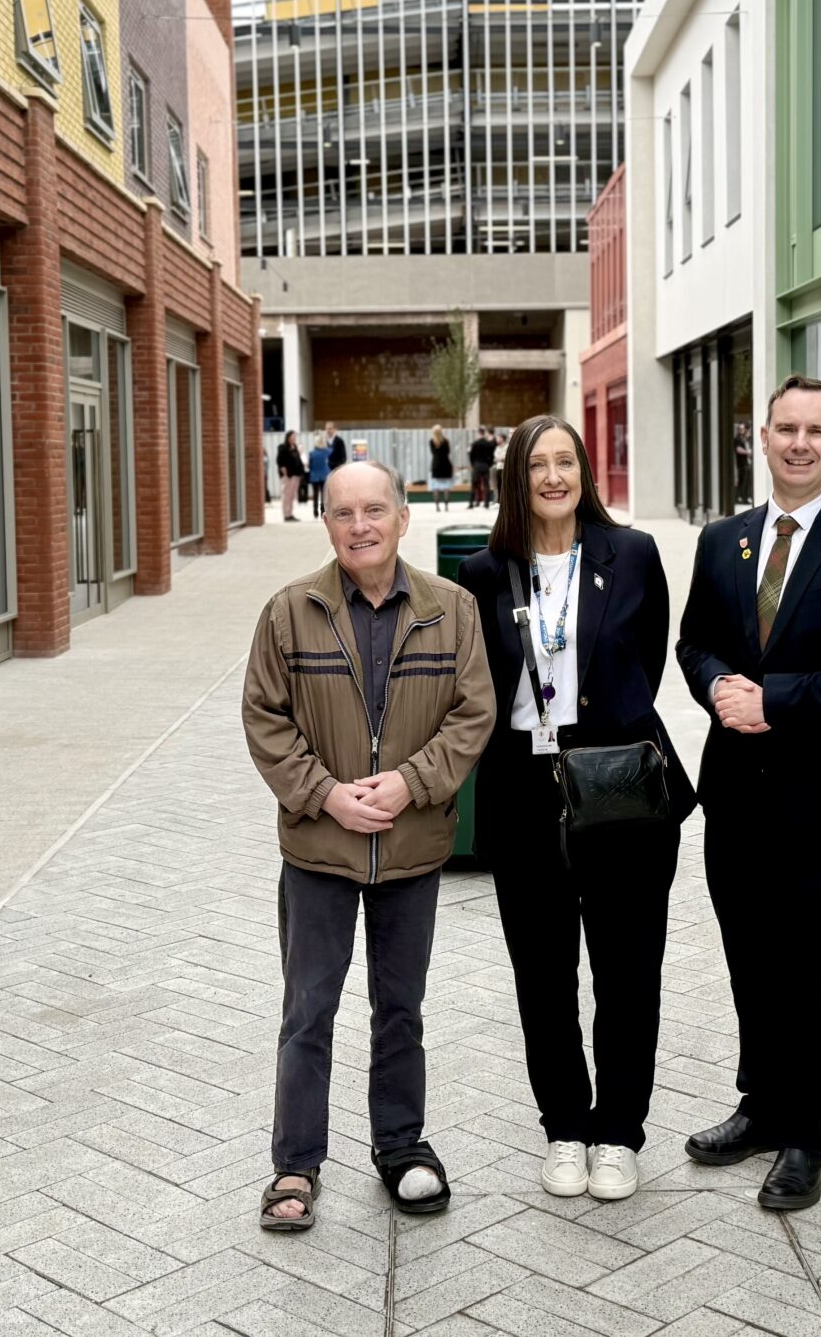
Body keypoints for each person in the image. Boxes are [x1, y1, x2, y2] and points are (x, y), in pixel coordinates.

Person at [674, 375, 821, 1212]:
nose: (801, 442)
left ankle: (810, 1134)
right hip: (735, 794)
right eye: (786, 428)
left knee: (819, 971)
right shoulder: (722, 541)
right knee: (753, 959)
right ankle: (763, 1106)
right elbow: (694, 640)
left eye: (818, 430)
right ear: (761, 439)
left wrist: (774, 701)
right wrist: (717, 689)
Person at [243, 462, 496, 1232]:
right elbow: (265, 718)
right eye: (344, 512)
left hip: (412, 848)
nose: (360, 525)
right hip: (319, 851)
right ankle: (295, 1166)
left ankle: (402, 1148)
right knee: (308, 1011)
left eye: (374, 510)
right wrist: (327, 795)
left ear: (402, 516)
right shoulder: (290, 612)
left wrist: (409, 784)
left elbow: (471, 713)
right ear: (326, 523)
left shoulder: (452, 609)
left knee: (401, 1011)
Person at [456, 416, 693, 1203]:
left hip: (616, 784)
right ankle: (564, 1127)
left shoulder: (634, 555)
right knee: (543, 976)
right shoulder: (487, 572)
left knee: (628, 972)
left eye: (566, 462)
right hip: (523, 791)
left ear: (584, 472)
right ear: (515, 479)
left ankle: (620, 1131)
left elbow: (647, 661)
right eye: (537, 465)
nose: (553, 477)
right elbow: (478, 681)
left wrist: (597, 727)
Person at [276, 431, 306, 522]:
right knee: (287, 495)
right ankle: (286, 514)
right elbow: (279, 460)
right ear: (288, 437)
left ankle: (290, 514)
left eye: (295, 437)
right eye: (293, 436)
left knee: (292, 496)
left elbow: (299, 459)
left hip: (296, 475)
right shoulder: (283, 447)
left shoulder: (295, 447)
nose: (294, 438)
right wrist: (283, 469)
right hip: (288, 475)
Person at [427, 427, 456, 510]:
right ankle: (446, 506)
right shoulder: (446, 441)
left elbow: (433, 453)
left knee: (435, 487)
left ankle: (437, 506)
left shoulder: (432, 441)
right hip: (446, 464)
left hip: (436, 465)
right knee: (446, 486)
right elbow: (448, 452)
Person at [468, 428, 497, 508]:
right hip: (485, 465)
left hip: (477, 465)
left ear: (478, 433)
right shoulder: (488, 444)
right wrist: (489, 464)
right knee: (486, 484)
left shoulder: (475, 444)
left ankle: (471, 503)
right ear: (484, 433)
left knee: (474, 484)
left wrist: (473, 464)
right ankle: (486, 503)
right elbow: (492, 455)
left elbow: (471, 456)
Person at [306, 435, 333, 518]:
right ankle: (322, 510)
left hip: (314, 476)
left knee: (315, 494)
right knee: (324, 494)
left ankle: (315, 511)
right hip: (325, 475)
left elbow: (309, 466)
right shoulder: (328, 451)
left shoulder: (311, 453)